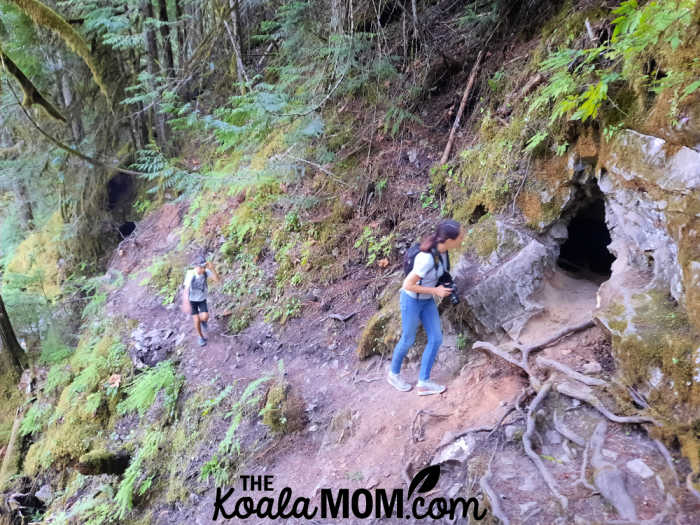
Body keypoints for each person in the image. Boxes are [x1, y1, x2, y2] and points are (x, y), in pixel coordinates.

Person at [387, 219, 464, 395]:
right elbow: (407, 284)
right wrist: (435, 291)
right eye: (460, 237)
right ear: (449, 240)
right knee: (408, 339)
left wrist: (446, 285)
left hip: (427, 300)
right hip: (411, 300)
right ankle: (393, 374)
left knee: (436, 338)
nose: (462, 239)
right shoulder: (426, 259)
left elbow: (442, 273)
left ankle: (423, 382)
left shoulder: (443, 252)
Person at [182, 256, 220, 346]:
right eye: (200, 267)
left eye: (204, 267)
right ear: (195, 266)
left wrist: (212, 268)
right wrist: (186, 302)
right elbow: (186, 289)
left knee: (205, 317)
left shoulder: (206, 272)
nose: (202, 269)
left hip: (201, 298)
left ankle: (202, 321)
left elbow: (217, 280)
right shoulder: (191, 274)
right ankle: (200, 337)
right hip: (191, 300)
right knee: (196, 320)